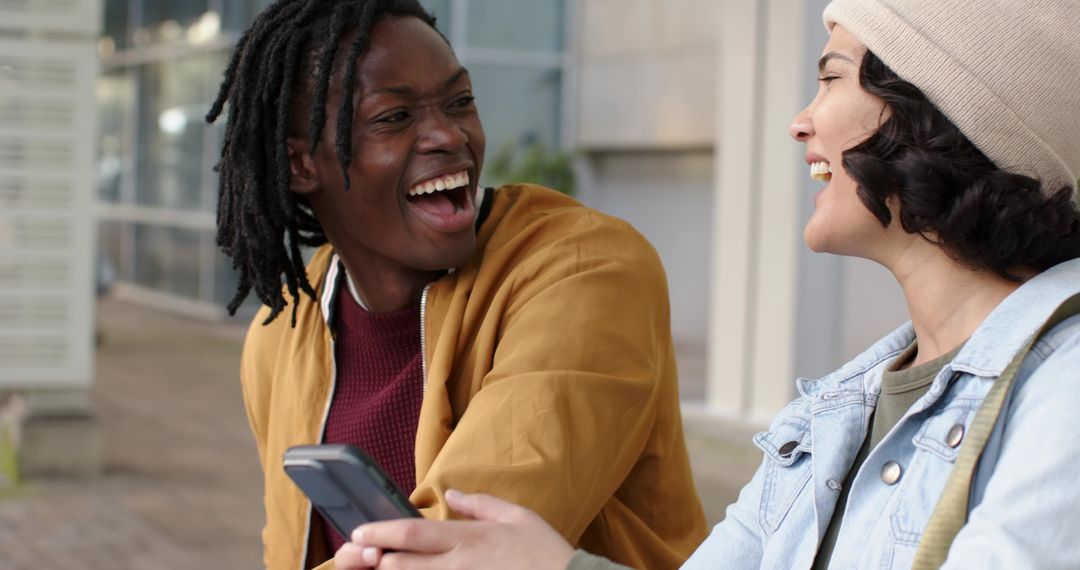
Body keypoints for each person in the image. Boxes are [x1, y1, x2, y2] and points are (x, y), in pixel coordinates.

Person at [334, 0, 1080, 568]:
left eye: (830, 78)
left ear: (944, 116)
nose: (800, 123)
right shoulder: (836, 411)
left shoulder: (1065, 389)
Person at [206, 1, 708, 569]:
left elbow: (463, 548)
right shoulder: (283, 334)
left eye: (460, 102)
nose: (448, 135)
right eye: (394, 118)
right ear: (300, 165)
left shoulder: (587, 271)